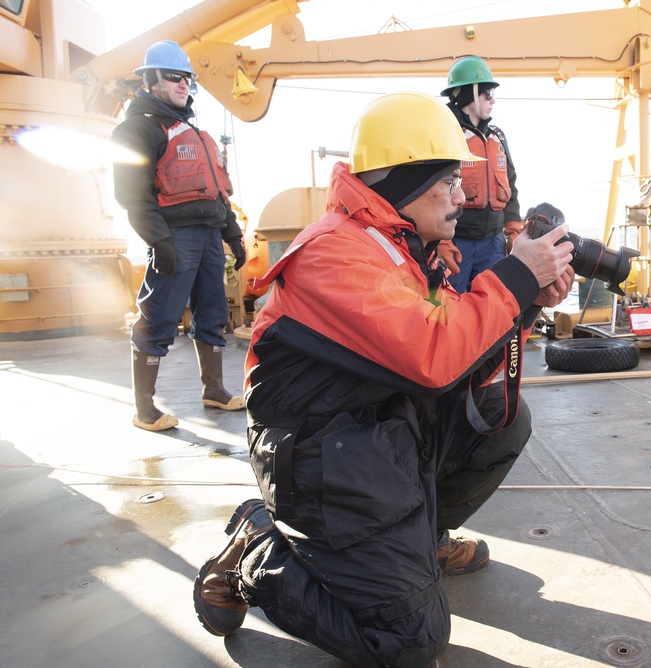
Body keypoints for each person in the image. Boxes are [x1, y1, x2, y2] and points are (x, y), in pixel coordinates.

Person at [192, 91, 575, 667]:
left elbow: (458, 361)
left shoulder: (407, 249)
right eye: (447, 181)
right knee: (406, 643)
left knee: (501, 418)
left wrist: (524, 305)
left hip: (379, 432)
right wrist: (515, 277)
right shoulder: (334, 254)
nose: (462, 195)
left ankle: (420, 543)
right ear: (402, 184)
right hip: (321, 457)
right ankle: (258, 547)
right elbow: (432, 354)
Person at [112, 40, 247, 432]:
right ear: (152, 80)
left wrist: (233, 236)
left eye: (187, 78)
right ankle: (144, 408)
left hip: (207, 236)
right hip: (175, 235)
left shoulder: (193, 131)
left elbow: (216, 192)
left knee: (213, 314)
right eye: (174, 77)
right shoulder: (138, 129)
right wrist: (160, 241)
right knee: (159, 318)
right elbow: (132, 194)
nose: (183, 85)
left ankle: (215, 390)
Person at [436, 56, 523, 293]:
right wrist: (439, 240)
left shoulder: (498, 137)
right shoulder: (444, 133)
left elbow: (510, 184)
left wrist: (514, 230)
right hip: (456, 241)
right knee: (450, 306)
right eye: (488, 93)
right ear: (469, 95)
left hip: (493, 242)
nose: (493, 100)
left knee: (492, 302)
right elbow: (430, 190)